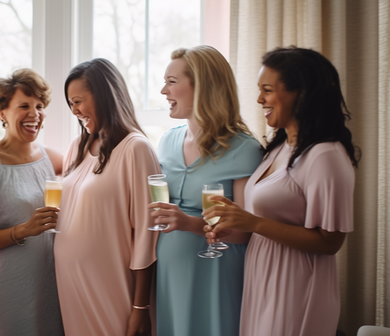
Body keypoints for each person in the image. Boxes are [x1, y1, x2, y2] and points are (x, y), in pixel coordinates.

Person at [203, 46, 358, 336]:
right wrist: (234, 222)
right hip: (262, 278)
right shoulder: (280, 148)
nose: (259, 99)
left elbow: (330, 242)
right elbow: (268, 218)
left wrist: (254, 223)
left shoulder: (325, 155)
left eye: (268, 90)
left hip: (296, 286)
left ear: (301, 93)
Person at [148, 46, 263, 336]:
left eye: (172, 82)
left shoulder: (245, 149)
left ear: (202, 86)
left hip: (217, 275)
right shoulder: (167, 142)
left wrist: (189, 223)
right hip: (170, 273)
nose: (164, 90)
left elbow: (245, 232)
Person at [54, 58, 160, 336]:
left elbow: (147, 234)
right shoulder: (77, 146)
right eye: (70, 104)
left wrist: (140, 307)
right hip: (71, 286)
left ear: (104, 96)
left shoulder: (135, 149)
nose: (74, 110)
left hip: (111, 285)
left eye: (78, 101)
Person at [0, 68, 64, 336]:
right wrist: (23, 230)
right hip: (8, 289)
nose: (35, 114)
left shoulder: (54, 159)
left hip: (52, 288)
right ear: (1, 112)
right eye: (24, 106)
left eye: (40, 106)